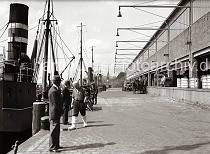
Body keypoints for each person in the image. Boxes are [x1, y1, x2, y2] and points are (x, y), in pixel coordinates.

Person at [48, 75, 63, 152]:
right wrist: (60, 111)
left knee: (56, 130)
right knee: (54, 130)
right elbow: (55, 104)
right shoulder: (53, 91)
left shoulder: (55, 89)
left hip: (56, 113)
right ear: (57, 82)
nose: (60, 82)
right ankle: (52, 147)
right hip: (54, 113)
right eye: (60, 81)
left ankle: (56, 145)